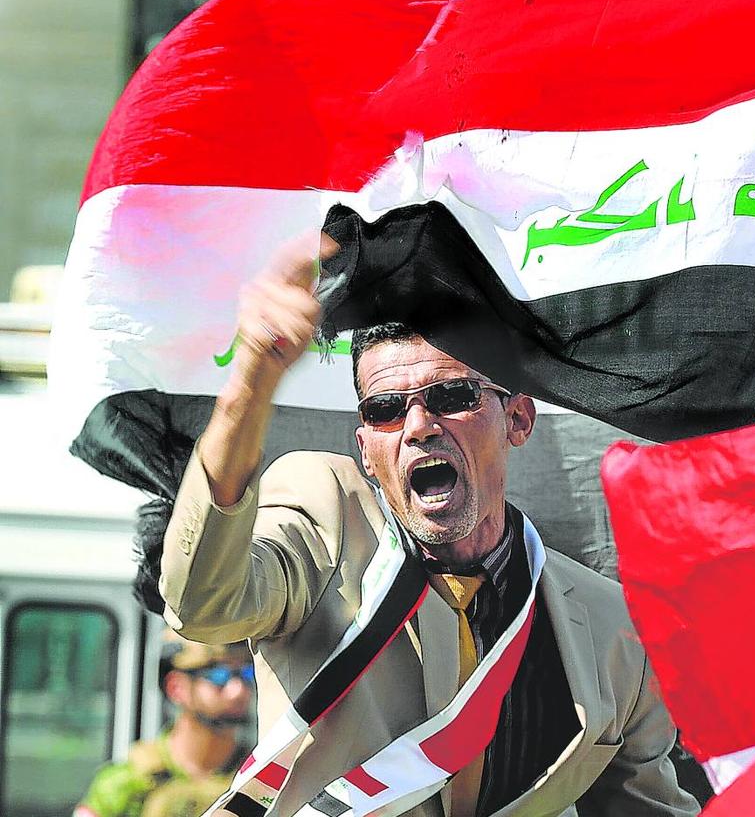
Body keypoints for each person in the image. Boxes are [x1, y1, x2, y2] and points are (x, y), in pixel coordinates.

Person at [158, 236, 699, 817]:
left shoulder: (612, 629)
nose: (418, 426)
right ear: (367, 450)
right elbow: (202, 603)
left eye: (451, 396)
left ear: (517, 418)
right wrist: (253, 378)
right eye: (386, 410)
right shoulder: (327, 516)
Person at [75, 633, 254, 817]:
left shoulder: (261, 777)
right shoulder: (127, 781)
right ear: (176, 688)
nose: (238, 691)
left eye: (248, 673)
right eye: (219, 675)